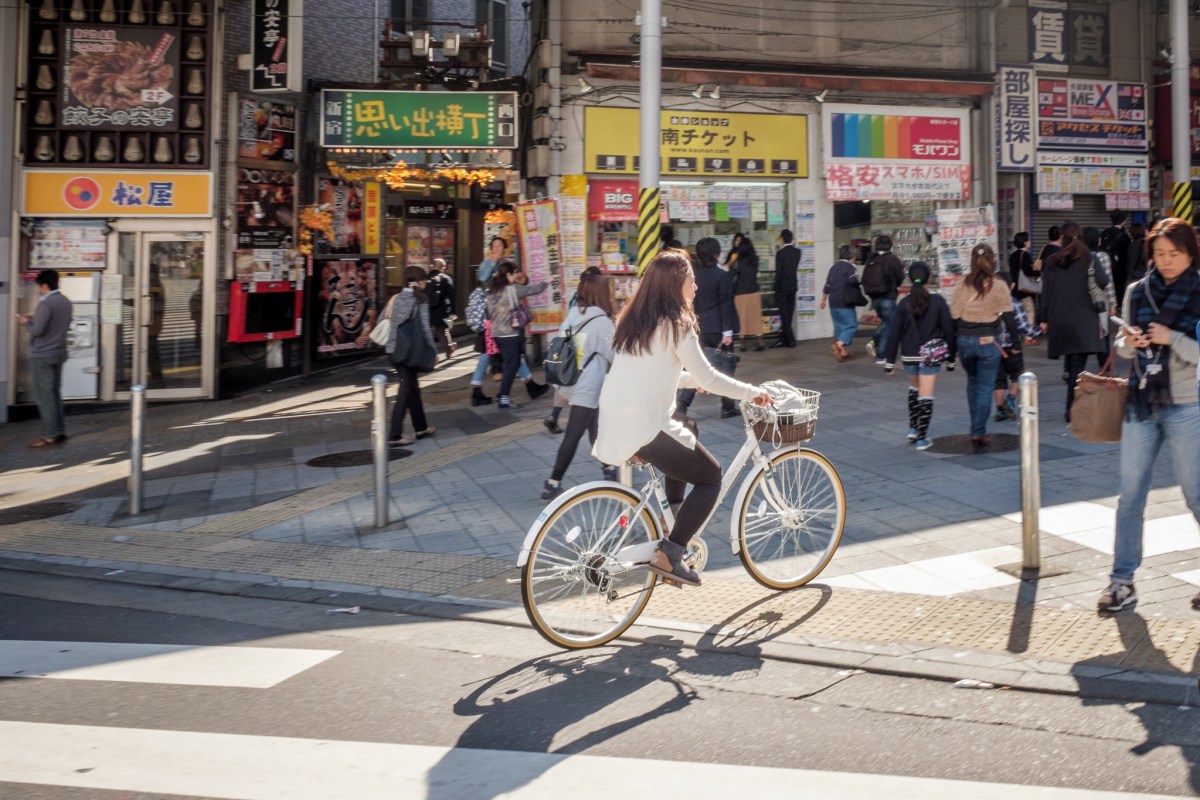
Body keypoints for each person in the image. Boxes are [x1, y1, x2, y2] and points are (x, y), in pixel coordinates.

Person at [594, 250, 770, 587]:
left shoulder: (633, 322)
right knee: (711, 477)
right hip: (645, 425)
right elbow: (712, 378)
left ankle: (670, 521)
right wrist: (752, 392)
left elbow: (653, 373)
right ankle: (671, 553)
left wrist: (691, 381)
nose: (696, 287)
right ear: (678, 284)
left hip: (616, 419)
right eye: (691, 280)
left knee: (688, 427)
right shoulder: (678, 324)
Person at [1098, 217, 1200, 613]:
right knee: (1130, 498)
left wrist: (1170, 338)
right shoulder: (1136, 292)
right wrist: (1131, 340)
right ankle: (1122, 582)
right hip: (1140, 404)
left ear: (1189, 253)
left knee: (1196, 498)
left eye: (1175, 254)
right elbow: (1123, 351)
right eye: (1160, 254)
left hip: (1186, 406)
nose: (1167, 261)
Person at [541, 272, 617, 500]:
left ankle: (609, 469)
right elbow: (614, 355)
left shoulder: (574, 314)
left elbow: (566, 343)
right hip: (588, 384)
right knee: (573, 435)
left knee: (595, 428)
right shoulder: (601, 322)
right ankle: (553, 483)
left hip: (571, 380)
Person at [1038, 221, 1110, 421]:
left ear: (1063, 238)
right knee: (1078, 365)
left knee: (1073, 363)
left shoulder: (1053, 261)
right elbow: (1104, 282)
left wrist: (1043, 318)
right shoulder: (1089, 258)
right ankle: (1072, 409)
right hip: (1083, 320)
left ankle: (1072, 407)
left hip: (1060, 320)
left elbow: (1046, 292)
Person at [881, 262, 955, 450]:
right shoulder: (938, 301)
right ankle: (922, 437)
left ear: (910, 278)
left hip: (909, 356)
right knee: (926, 395)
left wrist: (889, 362)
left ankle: (913, 428)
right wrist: (952, 357)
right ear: (929, 278)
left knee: (915, 388)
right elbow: (948, 329)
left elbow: (894, 332)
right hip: (930, 356)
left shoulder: (904, 302)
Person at [949, 244, 1013, 448]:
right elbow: (1008, 316)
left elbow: (955, 315)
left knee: (973, 382)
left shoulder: (962, 284)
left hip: (965, 340)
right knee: (986, 387)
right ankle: (978, 431)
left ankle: (975, 425)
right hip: (988, 340)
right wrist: (1017, 343)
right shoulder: (999, 284)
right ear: (993, 260)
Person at [676, 237, 739, 419]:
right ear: (717, 254)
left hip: (697, 327)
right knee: (725, 367)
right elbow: (725, 304)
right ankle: (727, 406)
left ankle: (682, 405)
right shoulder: (723, 276)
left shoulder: (693, 276)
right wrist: (728, 332)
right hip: (718, 328)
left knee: (695, 367)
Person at [382, 266, 437, 447]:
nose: (425, 284)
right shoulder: (420, 299)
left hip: (393, 350)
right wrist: (434, 351)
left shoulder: (394, 298)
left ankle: (421, 427)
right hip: (409, 351)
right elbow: (425, 329)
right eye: (424, 281)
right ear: (419, 282)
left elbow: (384, 319)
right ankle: (394, 435)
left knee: (412, 388)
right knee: (406, 390)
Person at [17, 269, 73, 448]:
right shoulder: (65, 302)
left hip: (42, 355)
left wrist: (26, 322)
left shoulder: (46, 304)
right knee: (55, 393)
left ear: (45, 285)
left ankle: (50, 435)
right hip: (59, 352)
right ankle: (59, 431)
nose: (38, 290)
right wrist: (36, 320)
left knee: (45, 396)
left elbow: (37, 330)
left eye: (39, 287)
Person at [486, 261, 550, 409]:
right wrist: (547, 282)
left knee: (510, 364)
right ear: (508, 274)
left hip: (496, 333)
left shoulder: (492, 289)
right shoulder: (513, 289)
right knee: (512, 365)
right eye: (514, 273)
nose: (515, 276)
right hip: (509, 333)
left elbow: (488, 312)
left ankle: (502, 394)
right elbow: (533, 289)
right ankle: (503, 398)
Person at [861, 235, 906, 366]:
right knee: (889, 325)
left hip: (874, 298)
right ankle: (881, 355)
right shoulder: (892, 259)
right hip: (888, 296)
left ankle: (872, 342)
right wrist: (895, 285)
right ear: (890, 245)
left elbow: (864, 279)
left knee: (886, 322)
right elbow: (900, 276)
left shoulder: (871, 259)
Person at [820, 244, 859, 362]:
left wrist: (823, 300)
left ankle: (843, 352)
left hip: (833, 301)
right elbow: (853, 281)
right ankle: (839, 345)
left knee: (839, 327)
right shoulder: (850, 267)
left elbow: (827, 285)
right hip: (845, 301)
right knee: (851, 325)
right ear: (851, 256)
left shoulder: (833, 267)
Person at [730, 236, 765, 351]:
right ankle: (760, 342)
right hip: (754, 292)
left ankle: (742, 344)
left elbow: (732, 273)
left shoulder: (738, 260)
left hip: (741, 292)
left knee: (741, 317)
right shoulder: (755, 259)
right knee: (755, 317)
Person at [772, 229, 800, 348]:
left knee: (784, 314)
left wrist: (776, 288)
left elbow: (779, 273)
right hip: (793, 286)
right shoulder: (797, 252)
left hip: (782, 287)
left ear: (782, 239)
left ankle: (791, 340)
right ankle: (784, 340)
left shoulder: (780, 253)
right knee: (788, 313)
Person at [1100, 211, 1132, 306]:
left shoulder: (1105, 232)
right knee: (1119, 285)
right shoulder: (1124, 235)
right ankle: (1118, 305)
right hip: (1120, 266)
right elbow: (1127, 251)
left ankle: (1108, 302)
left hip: (1104, 263)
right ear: (1123, 221)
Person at [426, 258, 456, 357]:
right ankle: (448, 350)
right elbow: (451, 296)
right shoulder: (446, 279)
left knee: (426, 332)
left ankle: (432, 354)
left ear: (432, 267)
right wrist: (453, 310)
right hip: (441, 310)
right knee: (442, 331)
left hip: (427, 310)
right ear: (443, 268)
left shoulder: (426, 278)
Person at [1009, 231, 1039, 332]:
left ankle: (1021, 333)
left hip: (1015, 289)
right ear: (1025, 242)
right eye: (1028, 240)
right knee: (1029, 311)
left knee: (1019, 312)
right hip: (1025, 290)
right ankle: (1029, 336)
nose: (1030, 242)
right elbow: (1028, 271)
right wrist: (1038, 272)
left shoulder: (1012, 255)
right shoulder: (1025, 255)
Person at [1127, 222, 1148, 286]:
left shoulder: (1132, 244)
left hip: (1133, 279)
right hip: (1140, 279)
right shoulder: (1143, 243)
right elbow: (1143, 258)